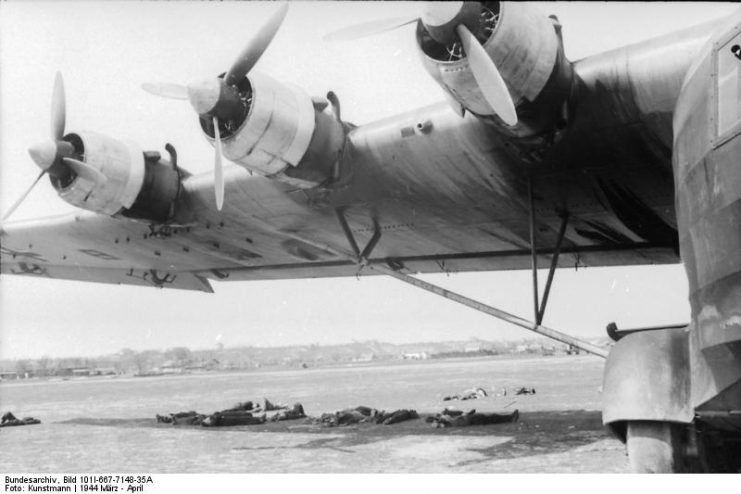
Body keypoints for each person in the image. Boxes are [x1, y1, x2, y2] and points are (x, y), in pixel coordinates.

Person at [426, 408, 519, 428]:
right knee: (492, 418)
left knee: (491, 417)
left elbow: (458, 414)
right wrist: (438, 421)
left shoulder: (444, 418)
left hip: (468, 418)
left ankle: (510, 418)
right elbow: (438, 425)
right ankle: (510, 418)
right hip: (469, 420)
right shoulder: (443, 422)